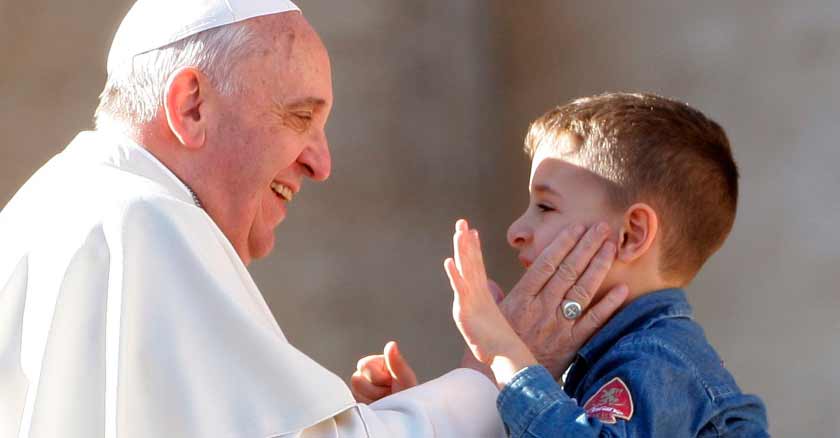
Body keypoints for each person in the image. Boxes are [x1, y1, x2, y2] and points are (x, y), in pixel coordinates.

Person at [0, 1, 627, 437]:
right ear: (191, 107)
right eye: (301, 119)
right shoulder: (142, 223)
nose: (321, 163)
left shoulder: (51, 206)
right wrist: (504, 370)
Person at [355, 93, 770, 436]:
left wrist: (505, 352)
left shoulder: (659, 357)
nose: (516, 229)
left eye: (546, 206)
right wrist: (424, 412)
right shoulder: (616, 356)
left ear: (632, 234)